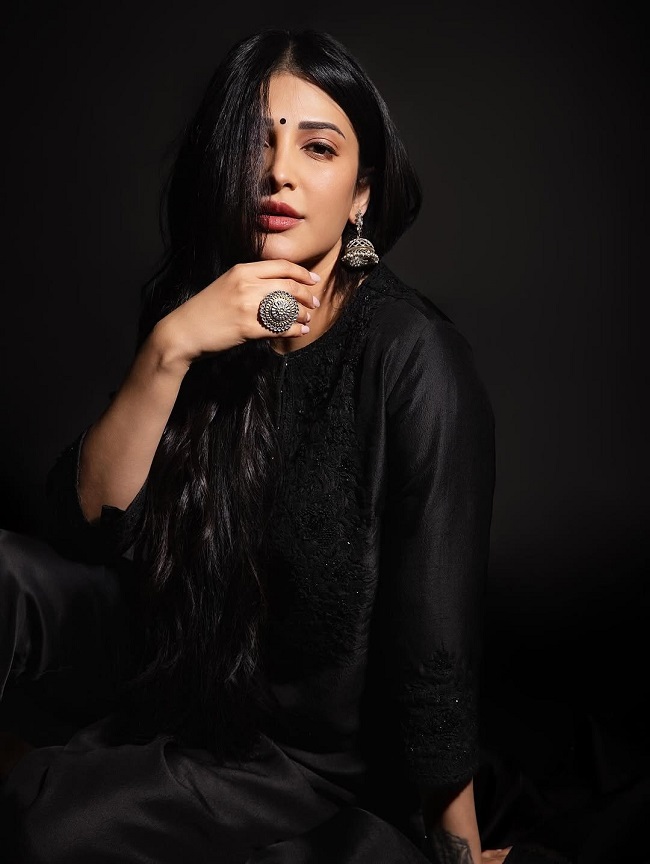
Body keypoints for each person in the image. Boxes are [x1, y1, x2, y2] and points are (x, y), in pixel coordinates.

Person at [0, 28, 513, 863]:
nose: (278, 172)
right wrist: (170, 347)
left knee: (45, 818)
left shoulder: (413, 358)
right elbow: (86, 527)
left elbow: (436, 635)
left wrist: (454, 844)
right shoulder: (201, 309)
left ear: (360, 195)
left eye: (318, 147)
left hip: (302, 756)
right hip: (176, 657)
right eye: (255, 142)